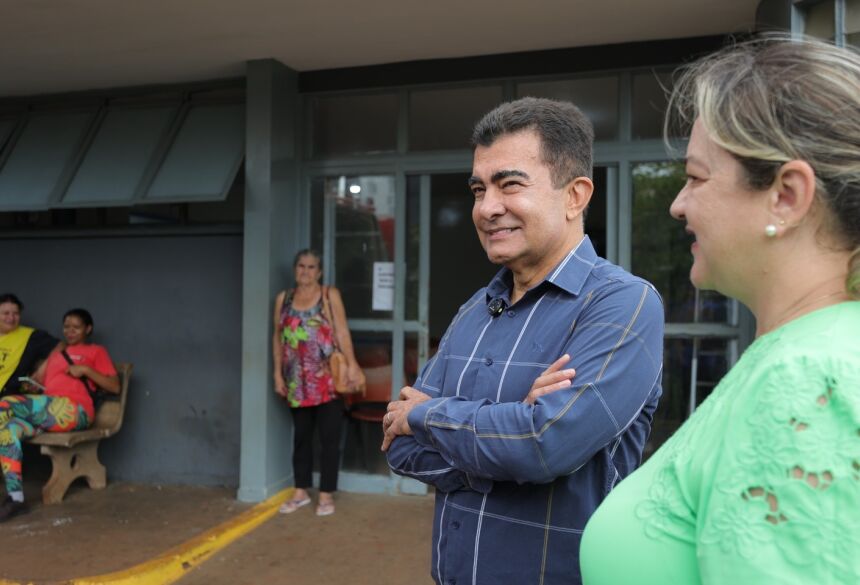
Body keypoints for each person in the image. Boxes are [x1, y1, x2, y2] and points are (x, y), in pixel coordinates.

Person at [580, 36, 860, 584]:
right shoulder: (801, 350)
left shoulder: (804, 381)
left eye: (696, 177)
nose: (677, 203)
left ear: (787, 195)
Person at [381, 98, 665, 584]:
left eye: (509, 184)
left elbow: (543, 445)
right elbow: (398, 446)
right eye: (478, 189)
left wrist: (428, 415)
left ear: (575, 195)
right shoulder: (474, 309)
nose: (488, 208)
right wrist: (508, 440)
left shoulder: (623, 304)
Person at [0, 308, 119, 522]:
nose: (70, 331)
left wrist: (86, 370)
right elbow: (44, 390)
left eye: (76, 327)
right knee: (8, 431)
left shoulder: (96, 351)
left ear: (88, 329)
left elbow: (114, 386)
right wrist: (34, 388)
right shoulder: (56, 356)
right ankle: (16, 499)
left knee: (5, 404)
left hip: (75, 411)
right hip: (48, 413)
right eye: (66, 327)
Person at [273, 249, 361, 517]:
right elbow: (277, 339)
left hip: (327, 380)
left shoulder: (328, 295)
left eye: (312, 267)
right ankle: (300, 491)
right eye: (301, 266)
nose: (306, 271)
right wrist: (277, 374)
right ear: (295, 269)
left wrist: (353, 364)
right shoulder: (283, 299)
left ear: (319, 272)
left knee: (328, 438)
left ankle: (325, 494)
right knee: (301, 438)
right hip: (296, 382)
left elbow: (343, 332)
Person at [0, 293, 62, 397]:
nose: (11, 318)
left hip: (8, 396)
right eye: (6, 313)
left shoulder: (32, 336)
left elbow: (61, 345)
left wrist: (42, 369)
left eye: (16, 313)